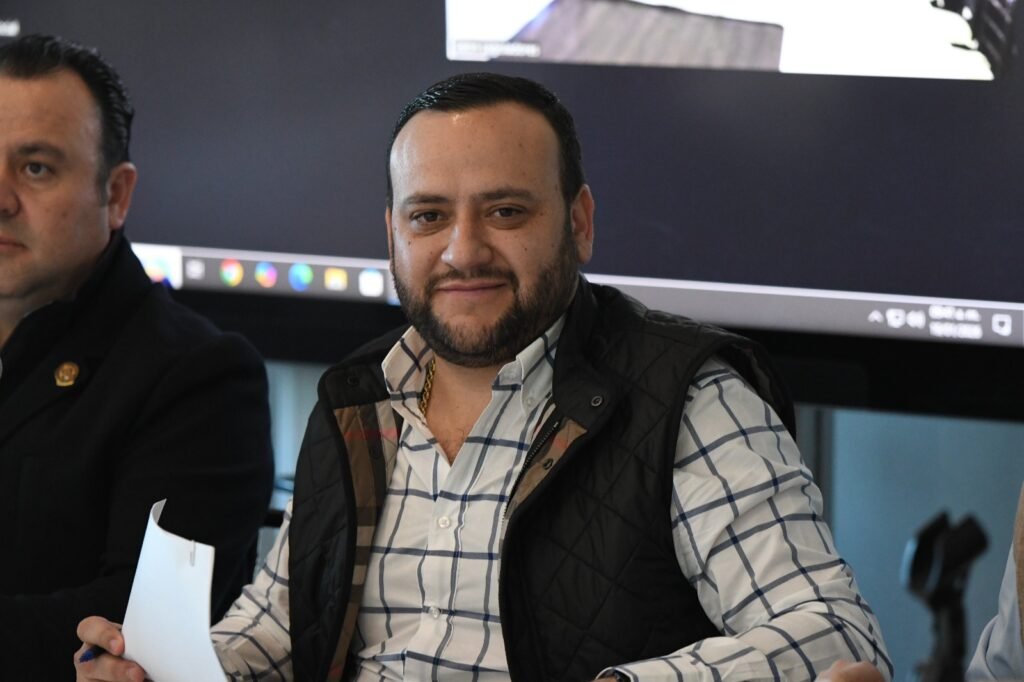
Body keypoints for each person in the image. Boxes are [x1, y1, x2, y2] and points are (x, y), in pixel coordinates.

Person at [76, 72, 891, 681]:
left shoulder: (689, 397)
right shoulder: (356, 398)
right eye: (429, 216)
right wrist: (163, 670)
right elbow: (277, 627)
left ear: (579, 223)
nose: (463, 251)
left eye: (505, 212)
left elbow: (833, 633)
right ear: (392, 236)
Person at [0, 34, 275, 680]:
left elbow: (136, 624)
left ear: (117, 195)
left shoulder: (201, 377)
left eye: (35, 168)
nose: (2, 199)